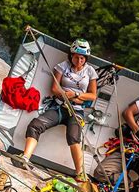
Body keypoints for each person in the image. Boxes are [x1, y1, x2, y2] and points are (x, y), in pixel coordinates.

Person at [13, 39, 98, 181]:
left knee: (74, 137)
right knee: (36, 125)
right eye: (76, 56)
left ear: (86, 58)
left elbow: (93, 95)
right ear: (71, 55)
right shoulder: (62, 66)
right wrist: (66, 96)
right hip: (59, 106)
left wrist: (76, 95)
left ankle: (80, 173)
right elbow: (54, 88)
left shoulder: (90, 71)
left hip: (76, 111)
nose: (79, 60)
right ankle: (25, 157)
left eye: (82, 58)